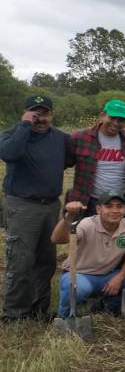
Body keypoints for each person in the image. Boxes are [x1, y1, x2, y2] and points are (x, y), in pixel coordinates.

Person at [0, 95, 70, 322]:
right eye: (35, 113)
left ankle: (39, 310)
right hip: (22, 206)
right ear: (26, 113)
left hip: (50, 206)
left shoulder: (60, 138)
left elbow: (70, 159)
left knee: (46, 262)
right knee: (20, 261)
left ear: (52, 115)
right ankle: (16, 313)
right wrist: (25, 125)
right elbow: (8, 154)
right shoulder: (13, 135)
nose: (40, 118)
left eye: (45, 113)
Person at [52, 192, 125, 318]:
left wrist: (119, 278)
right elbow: (57, 239)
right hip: (79, 274)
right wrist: (69, 216)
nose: (115, 210)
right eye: (109, 206)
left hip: (107, 275)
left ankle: (107, 304)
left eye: (119, 206)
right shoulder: (87, 224)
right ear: (98, 209)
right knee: (80, 289)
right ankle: (64, 316)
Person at [66, 98, 125, 219]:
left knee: (120, 236)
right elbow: (64, 163)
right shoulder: (79, 138)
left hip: (121, 202)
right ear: (102, 115)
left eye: (121, 120)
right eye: (112, 118)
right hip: (89, 201)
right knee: (87, 236)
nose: (116, 123)